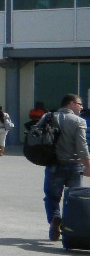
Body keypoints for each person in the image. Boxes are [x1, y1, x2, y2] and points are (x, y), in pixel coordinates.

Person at [42, 94, 90, 241]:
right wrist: (88, 165)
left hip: (54, 165)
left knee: (51, 197)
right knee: (73, 199)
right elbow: (82, 146)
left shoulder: (48, 117)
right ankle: (70, 230)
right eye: (79, 104)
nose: (81, 107)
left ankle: (55, 219)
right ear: (70, 104)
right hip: (74, 167)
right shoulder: (79, 121)